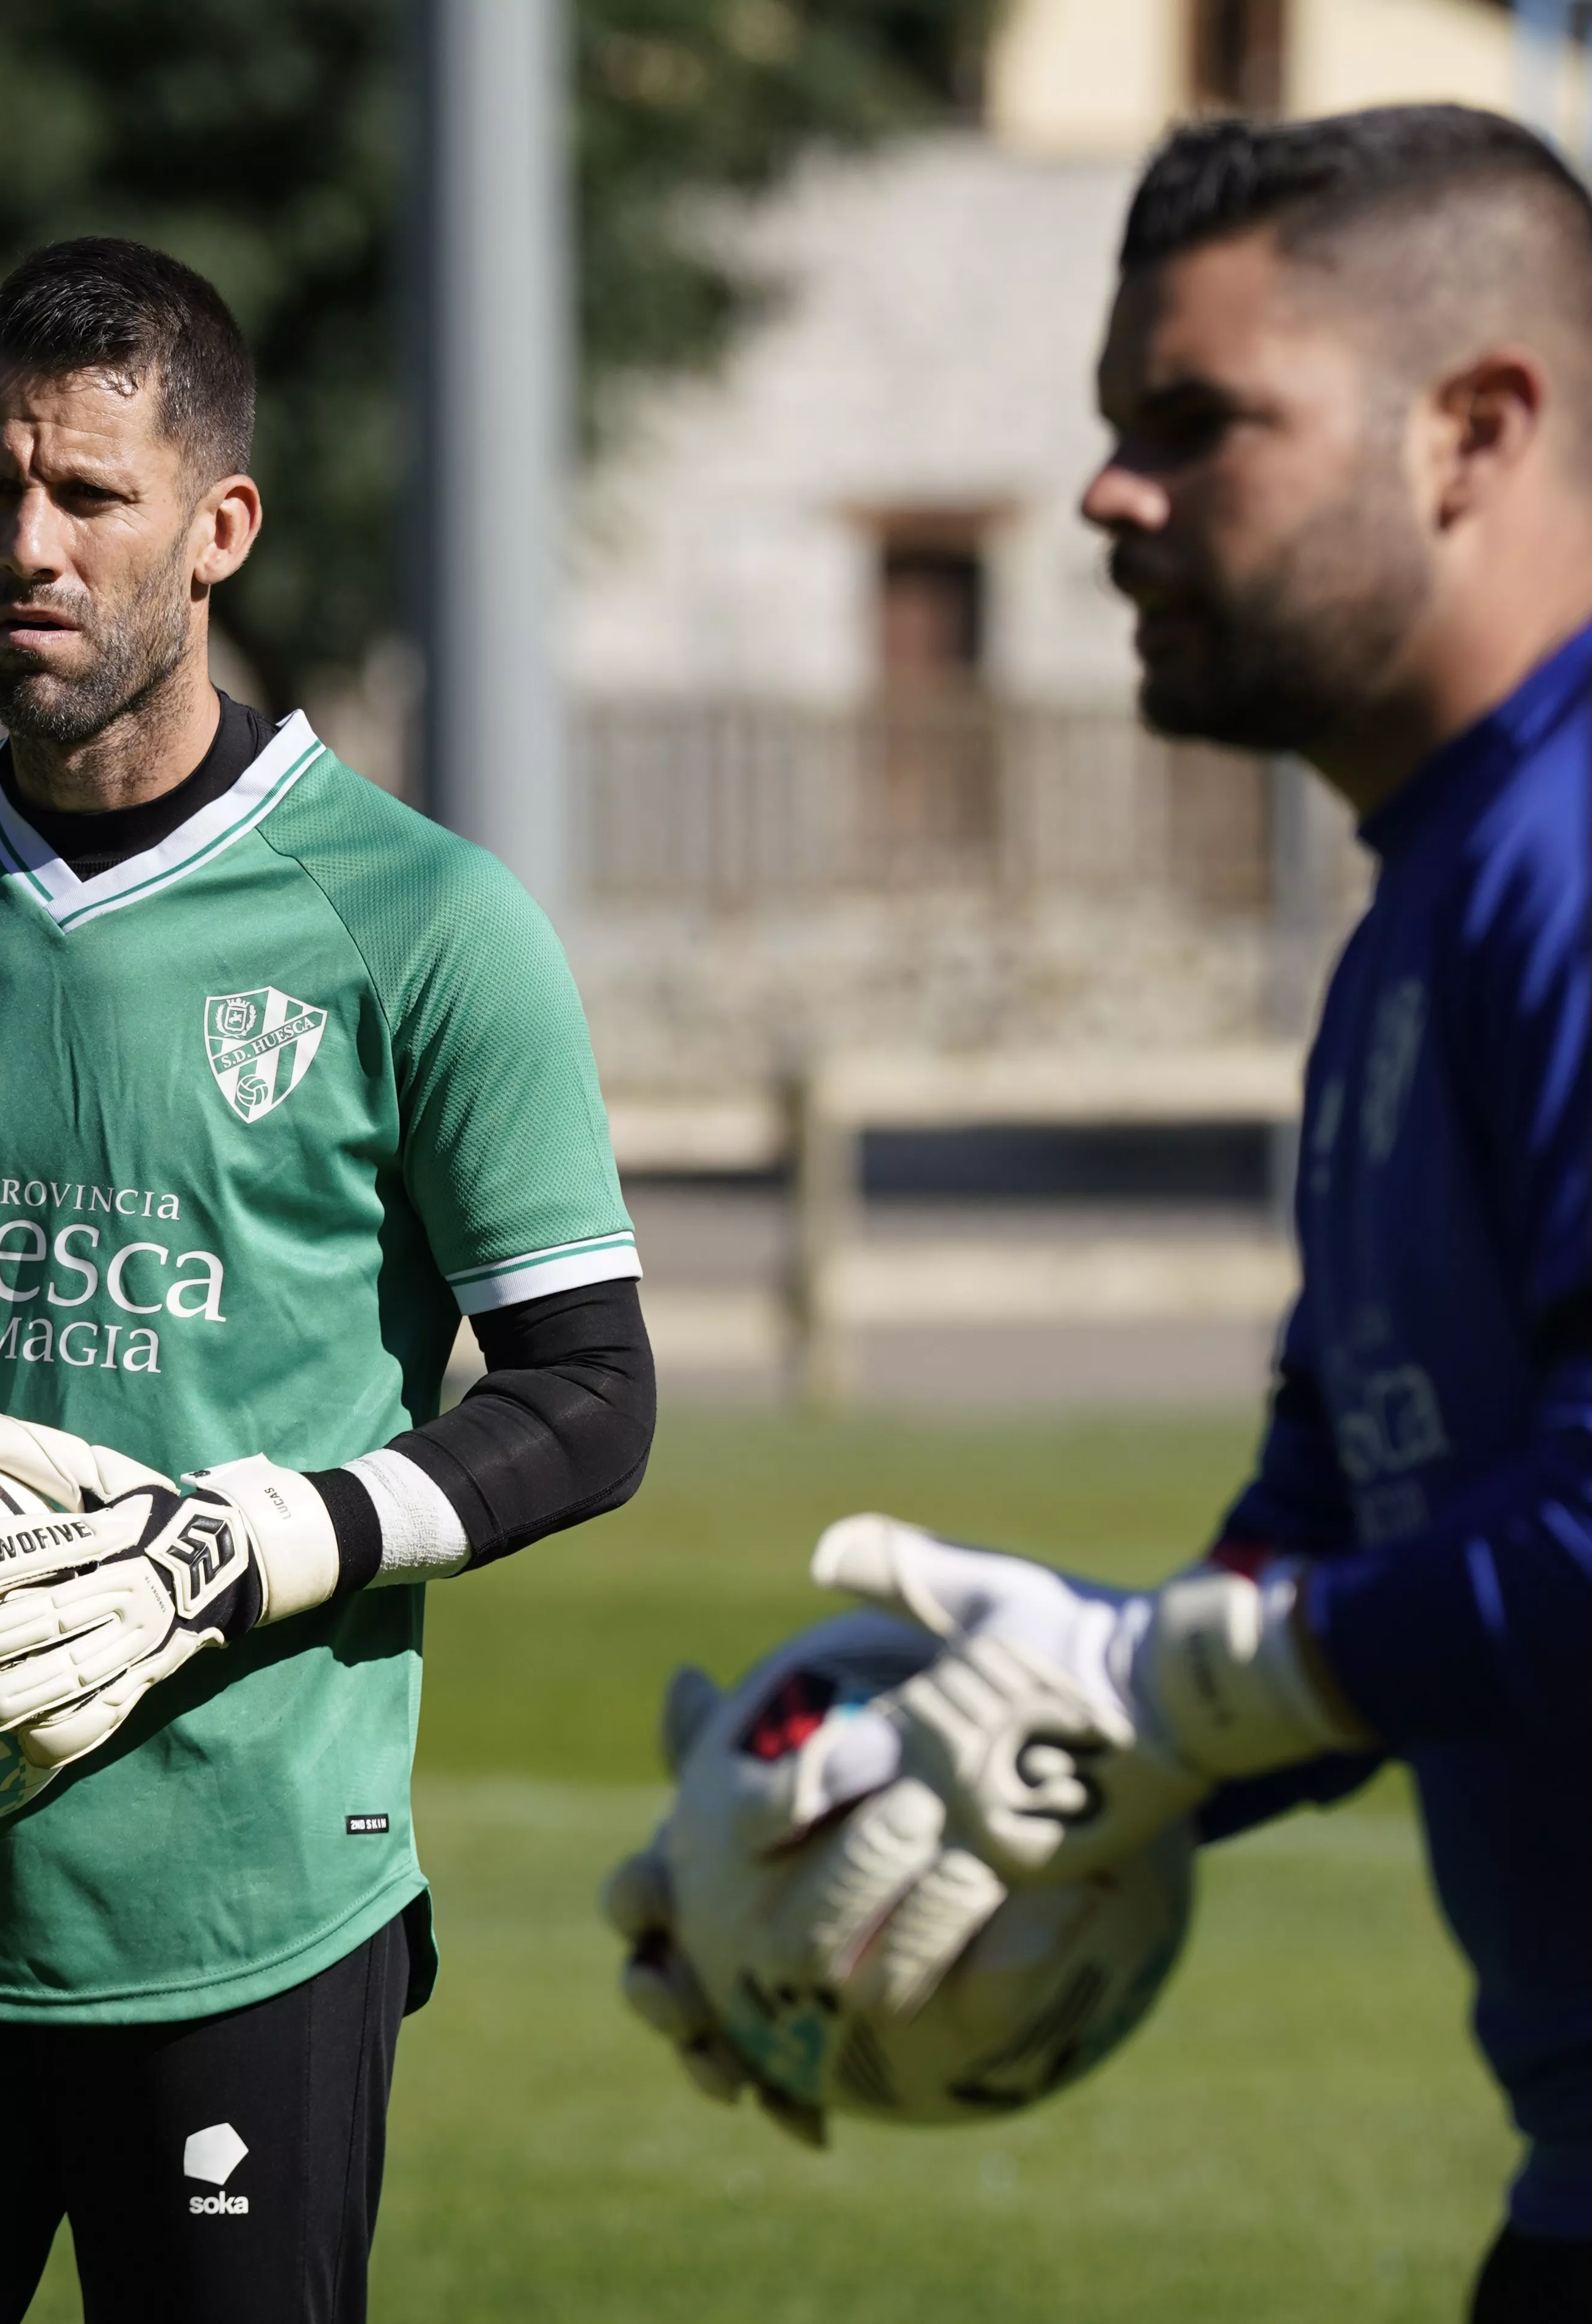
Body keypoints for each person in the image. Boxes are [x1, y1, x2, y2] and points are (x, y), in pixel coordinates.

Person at [608, 107, 1592, 2322]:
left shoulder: (1571, 862)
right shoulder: (1419, 926)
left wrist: (1180, 1683)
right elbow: (1326, 1563)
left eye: (1196, 422)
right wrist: (865, 1788)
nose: (1105, 496)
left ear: (1475, 430)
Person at [0, 237, 656, 2323]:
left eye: (89, 496)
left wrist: (256, 1543)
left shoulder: (424, 923)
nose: (27, 546)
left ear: (219, 530)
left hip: (243, 1917)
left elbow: (589, 1390)